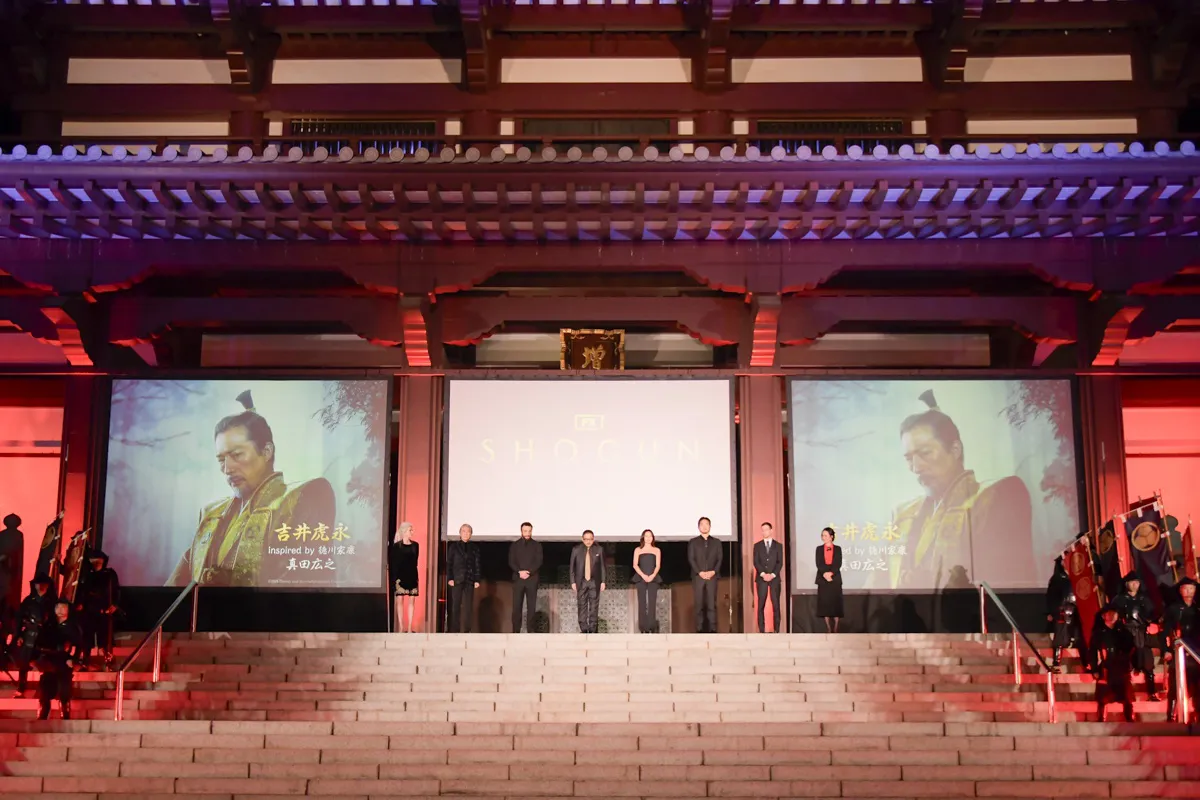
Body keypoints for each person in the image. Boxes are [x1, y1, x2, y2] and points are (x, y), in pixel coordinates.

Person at [167, 390, 337, 587]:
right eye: (221, 459)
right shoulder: (211, 514)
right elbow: (175, 592)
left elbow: (304, 587)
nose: (227, 469)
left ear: (266, 451)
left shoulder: (305, 496)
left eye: (237, 455)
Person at [888, 390, 1033, 590]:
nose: (916, 467)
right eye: (908, 458)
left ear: (955, 449)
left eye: (925, 453)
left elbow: (1008, 582)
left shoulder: (997, 495)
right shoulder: (903, 514)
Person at [1111, 571, 1160, 701]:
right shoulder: (1119, 599)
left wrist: (1152, 624)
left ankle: (1152, 693)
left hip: (1142, 633)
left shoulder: (1144, 599)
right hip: (1126, 633)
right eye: (1132, 582)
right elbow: (1113, 616)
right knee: (1125, 666)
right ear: (1126, 584)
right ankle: (1126, 694)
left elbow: (1152, 615)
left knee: (1148, 665)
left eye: (1137, 582)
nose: (1135, 585)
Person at [33, 601, 82, 720]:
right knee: (45, 687)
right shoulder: (49, 625)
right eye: (58, 607)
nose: (60, 610)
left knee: (64, 687)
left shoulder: (73, 627)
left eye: (63, 607)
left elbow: (78, 645)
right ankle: (44, 710)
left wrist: (73, 659)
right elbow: (39, 642)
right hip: (49, 660)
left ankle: (65, 711)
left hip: (64, 661)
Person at [11, 574, 57, 698]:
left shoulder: (53, 602)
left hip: (45, 637)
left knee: (44, 664)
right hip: (30, 635)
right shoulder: (28, 601)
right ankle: (21, 687)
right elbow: (19, 619)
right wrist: (18, 635)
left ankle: (43, 690)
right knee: (24, 663)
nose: (41, 586)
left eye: (44, 584)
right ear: (35, 585)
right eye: (39, 584)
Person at [1090, 604, 1137, 722]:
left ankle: (1129, 718)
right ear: (1103, 616)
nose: (1111, 616)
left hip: (1122, 667)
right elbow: (1092, 652)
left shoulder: (1124, 632)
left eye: (1114, 614)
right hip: (1105, 667)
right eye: (1108, 614)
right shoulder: (1098, 634)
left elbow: (1132, 649)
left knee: (1126, 696)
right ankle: (1101, 717)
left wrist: (1134, 665)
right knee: (1102, 696)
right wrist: (1094, 669)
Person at [1163, 576, 1200, 722]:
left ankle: (1197, 713)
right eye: (1186, 588)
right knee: (1175, 686)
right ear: (1180, 590)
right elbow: (1165, 630)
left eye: (1191, 588)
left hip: (1196, 651)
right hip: (1179, 651)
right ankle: (1171, 715)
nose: (1189, 591)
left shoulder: (1198, 609)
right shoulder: (1173, 609)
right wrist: (1166, 649)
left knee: (1198, 686)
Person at [77, 549, 120, 670]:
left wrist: (115, 604)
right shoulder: (86, 575)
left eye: (98, 560)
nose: (96, 562)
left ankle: (108, 660)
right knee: (87, 636)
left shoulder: (109, 574)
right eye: (93, 560)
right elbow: (80, 591)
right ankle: (86, 659)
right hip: (89, 610)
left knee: (105, 638)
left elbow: (116, 590)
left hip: (104, 609)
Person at [688, 516, 722, 633]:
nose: (704, 526)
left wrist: (713, 571)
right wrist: (700, 572)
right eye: (702, 524)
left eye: (706, 524)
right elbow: (691, 559)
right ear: (698, 527)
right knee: (699, 604)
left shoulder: (716, 542)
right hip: (698, 577)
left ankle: (713, 628)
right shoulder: (693, 542)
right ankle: (699, 628)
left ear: (710, 526)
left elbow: (719, 559)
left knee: (712, 604)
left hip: (712, 576)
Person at [1046, 555, 1080, 670]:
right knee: (1060, 637)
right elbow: (1051, 597)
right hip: (1062, 611)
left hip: (1076, 610)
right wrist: (1052, 611)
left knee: (1077, 636)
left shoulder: (1077, 574)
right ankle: (1056, 662)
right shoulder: (1057, 578)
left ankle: (1081, 663)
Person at [508, 522, 543, 634]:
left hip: (532, 579)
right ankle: (516, 630)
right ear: (521, 531)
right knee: (516, 606)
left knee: (531, 606)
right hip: (518, 579)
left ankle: (531, 630)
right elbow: (511, 561)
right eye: (525, 531)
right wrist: (519, 571)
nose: (527, 533)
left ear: (531, 531)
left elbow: (539, 561)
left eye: (529, 531)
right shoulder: (515, 545)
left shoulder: (537, 545)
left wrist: (529, 572)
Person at [446, 523, 481, 633]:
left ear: (471, 534)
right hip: (457, 579)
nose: (466, 533)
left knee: (468, 606)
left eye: (468, 532)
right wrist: (450, 578)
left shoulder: (474, 548)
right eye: (464, 531)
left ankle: (467, 630)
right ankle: (455, 629)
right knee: (456, 605)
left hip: (470, 579)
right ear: (460, 533)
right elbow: (449, 563)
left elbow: (477, 564)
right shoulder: (453, 547)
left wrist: (477, 579)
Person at [570, 530, 606, 634]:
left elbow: (603, 567)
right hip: (581, 581)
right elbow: (572, 567)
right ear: (582, 539)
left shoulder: (599, 550)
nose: (588, 541)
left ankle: (593, 628)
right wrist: (572, 582)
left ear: (593, 539)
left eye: (590, 539)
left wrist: (603, 581)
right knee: (582, 604)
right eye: (586, 539)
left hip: (595, 581)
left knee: (594, 605)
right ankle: (583, 628)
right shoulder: (576, 550)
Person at [389, 523, 420, 633]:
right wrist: (394, 578)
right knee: (399, 600)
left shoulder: (415, 545)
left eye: (412, 530)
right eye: (410, 530)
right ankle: (401, 627)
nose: (412, 532)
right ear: (404, 531)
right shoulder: (396, 546)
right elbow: (393, 562)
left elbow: (415, 560)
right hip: (399, 576)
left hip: (412, 574)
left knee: (412, 600)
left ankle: (410, 627)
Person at [753, 522, 783, 633]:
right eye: (762, 530)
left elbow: (779, 563)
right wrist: (763, 574)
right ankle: (762, 629)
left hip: (774, 579)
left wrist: (772, 575)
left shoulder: (778, 546)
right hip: (761, 579)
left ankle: (776, 629)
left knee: (776, 604)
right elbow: (756, 562)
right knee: (761, 604)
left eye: (766, 529)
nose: (764, 532)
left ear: (771, 531)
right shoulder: (757, 546)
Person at [0, 513, 23, 650]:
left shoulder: (8, 535)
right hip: (9, 579)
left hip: (9, 578)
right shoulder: (16, 536)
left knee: (8, 611)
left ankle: (6, 644)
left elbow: (14, 556)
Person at [632, 529, 662, 634]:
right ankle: (643, 627)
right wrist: (644, 575)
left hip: (653, 577)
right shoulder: (638, 550)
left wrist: (652, 575)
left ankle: (651, 626)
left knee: (652, 602)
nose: (648, 538)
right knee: (642, 602)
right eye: (646, 536)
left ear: (653, 538)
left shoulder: (657, 550)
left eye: (650, 536)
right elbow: (635, 565)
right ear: (643, 538)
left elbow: (658, 565)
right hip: (641, 577)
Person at [815, 526, 844, 633]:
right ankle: (828, 628)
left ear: (831, 537)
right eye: (822, 535)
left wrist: (831, 573)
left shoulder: (838, 549)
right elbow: (819, 563)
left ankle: (836, 628)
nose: (824, 537)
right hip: (822, 579)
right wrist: (825, 573)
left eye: (826, 535)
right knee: (824, 603)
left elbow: (838, 563)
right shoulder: (819, 549)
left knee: (835, 603)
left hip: (835, 578)